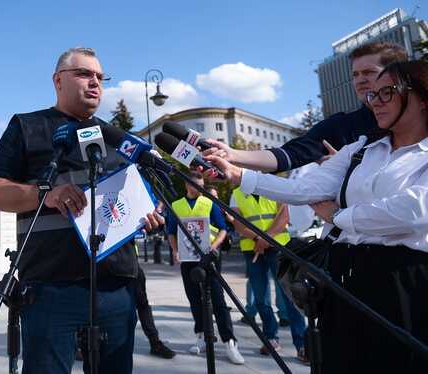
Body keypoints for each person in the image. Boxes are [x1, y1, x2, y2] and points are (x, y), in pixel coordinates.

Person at [206, 60, 428, 372]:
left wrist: (339, 216)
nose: (374, 101)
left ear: (421, 97)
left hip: (404, 282)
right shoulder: (363, 149)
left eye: (387, 93)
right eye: (371, 95)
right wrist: (238, 174)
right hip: (345, 276)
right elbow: (305, 189)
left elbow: (413, 212)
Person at [0, 47, 163, 374]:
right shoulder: (27, 126)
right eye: (84, 74)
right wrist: (44, 194)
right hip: (50, 289)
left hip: (116, 288)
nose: (95, 83)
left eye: (100, 78)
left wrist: (147, 219)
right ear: (58, 81)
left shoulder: (119, 140)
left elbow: (135, 203)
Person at [202, 42, 408, 172]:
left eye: (369, 72)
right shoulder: (340, 126)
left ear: (397, 75)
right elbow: (290, 154)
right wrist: (233, 155)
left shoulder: (418, 121)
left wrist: (351, 168)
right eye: (355, 74)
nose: (360, 80)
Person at [166, 172, 244, 364]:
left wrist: (214, 246)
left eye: (201, 185)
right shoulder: (176, 206)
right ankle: (201, 335)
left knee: (218, 300)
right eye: (196, 185)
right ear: (187, 185)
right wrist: (175, 251)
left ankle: (229, 341)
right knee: (195, 299)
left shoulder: (210, 203)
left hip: (209, 259)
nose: (199, 188)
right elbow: (170, 231)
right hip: (188, 260)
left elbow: (224, 229)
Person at [229, 188, 307, 360]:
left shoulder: (271, 187)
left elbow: (284, 216)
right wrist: (259, 240)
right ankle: (271, 338)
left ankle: (302, 345)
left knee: (290, 297)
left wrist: (265, 239)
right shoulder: (236, 194)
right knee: (260, 298)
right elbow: (238, 223)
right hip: (252, 249)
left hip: (278, 247)